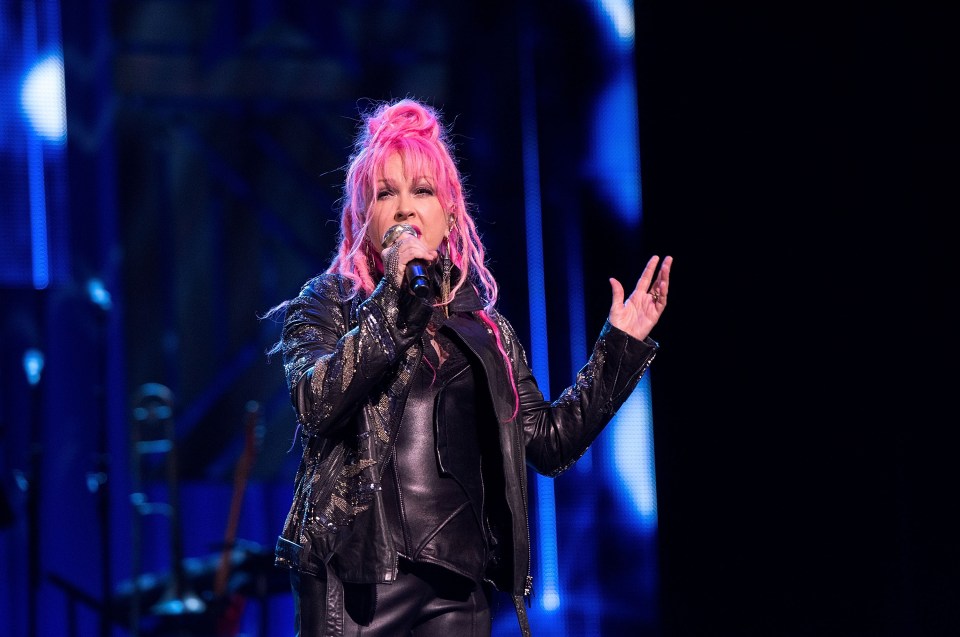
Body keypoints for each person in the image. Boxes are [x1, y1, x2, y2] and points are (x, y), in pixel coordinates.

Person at [265, 97, 672, 637]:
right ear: (364, 214)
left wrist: (618, 350)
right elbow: (316, 402)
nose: (405, 208)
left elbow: (547, 443)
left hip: (458, 587)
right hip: (358, 580)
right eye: (386, 193)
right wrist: (396, 299)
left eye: (422, 191)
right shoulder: (328, 304)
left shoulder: (484, 326)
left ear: (450, 211)